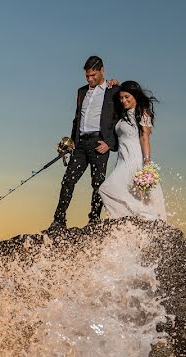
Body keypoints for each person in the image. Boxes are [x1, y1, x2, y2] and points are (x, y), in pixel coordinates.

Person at [47, 56, 120, 231]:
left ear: (102, 70)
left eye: (93, 75)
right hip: (80, 144)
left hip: (99, 143)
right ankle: (58, 221)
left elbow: (119, 119)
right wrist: (72, 141)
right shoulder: (81, 92)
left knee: (98, 184)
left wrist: (110, 143)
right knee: (67, 181)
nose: (90, 79)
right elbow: (77, 118)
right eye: (87, 76)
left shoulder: (114, 90)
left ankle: (94, 220)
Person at [98, 81, 167, 221]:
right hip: (122, 159)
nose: (123, 100)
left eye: (127, 97)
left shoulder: (142, 112)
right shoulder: (123, 114)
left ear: (135, 95)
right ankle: (129, 220)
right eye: (121, 97)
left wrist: (146, 163)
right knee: (112, 190)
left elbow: (144, 138)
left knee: (106, 189)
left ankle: (146, 215)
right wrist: (115, 85)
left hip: (134, 159)